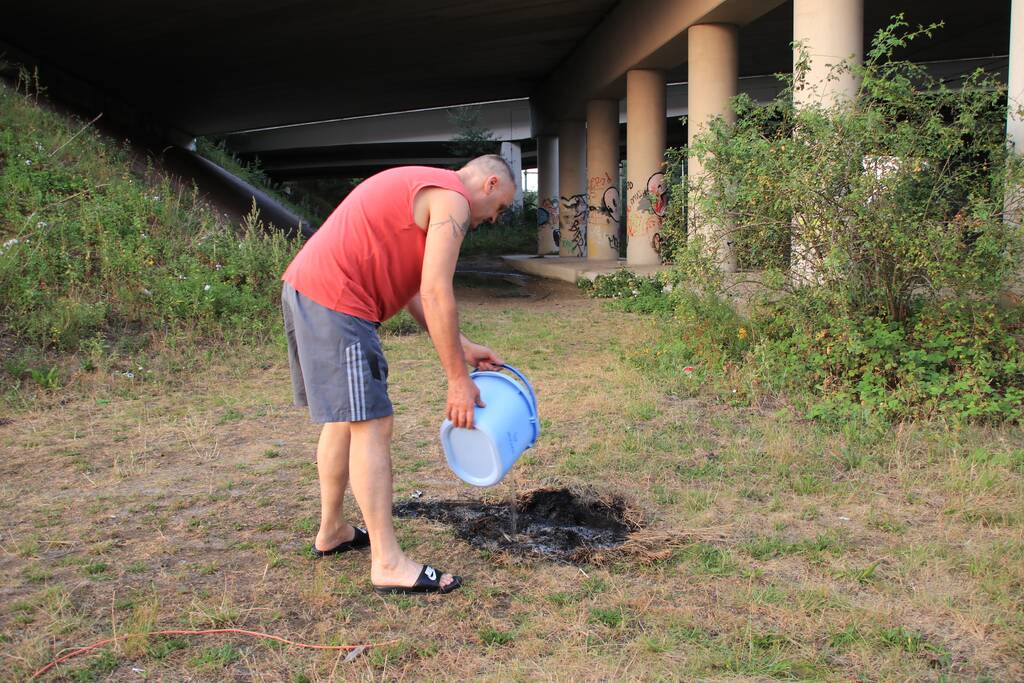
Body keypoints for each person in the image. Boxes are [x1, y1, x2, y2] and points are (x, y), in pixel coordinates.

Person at [280, 155, 516, 594]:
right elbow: (436, 288)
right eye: (499, 208)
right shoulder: (454, 202)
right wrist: (457, 381)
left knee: (346, 419)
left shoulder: (426, 188)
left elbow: (412, 289)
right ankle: (387, 563)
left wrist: (462, 349)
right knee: (373, 423)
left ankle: (332, 530)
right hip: (337, 301)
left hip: (308, 289)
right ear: (489, 183)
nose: (493, 219)